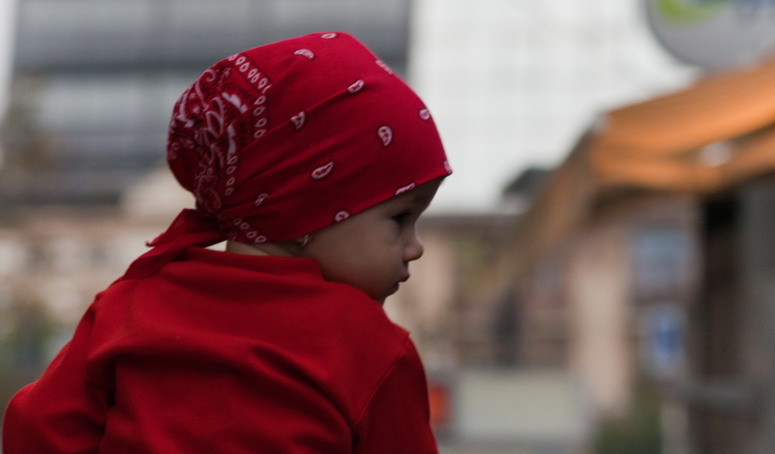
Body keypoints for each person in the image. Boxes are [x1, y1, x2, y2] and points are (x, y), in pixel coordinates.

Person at [2, 31, 451, 453]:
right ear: (307, 207)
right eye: (400, 218)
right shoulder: (369, 347)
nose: (415, 247)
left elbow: (34, 424)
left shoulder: (130, 303)